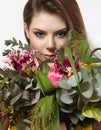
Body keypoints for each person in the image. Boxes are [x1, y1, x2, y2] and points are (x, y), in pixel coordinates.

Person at [2, 0, 101, 130]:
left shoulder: (94, 88)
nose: (50, 45)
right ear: (27, 30)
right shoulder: (8, 90)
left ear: (75, 33)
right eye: (40, 34)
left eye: (61, 34)